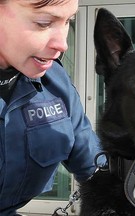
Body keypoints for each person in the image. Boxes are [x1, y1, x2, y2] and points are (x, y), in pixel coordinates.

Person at [0, 0, 102, 215]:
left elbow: (96, 167)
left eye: (68, 21)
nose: (62, 44)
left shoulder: (55, 81)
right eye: (44, 23)